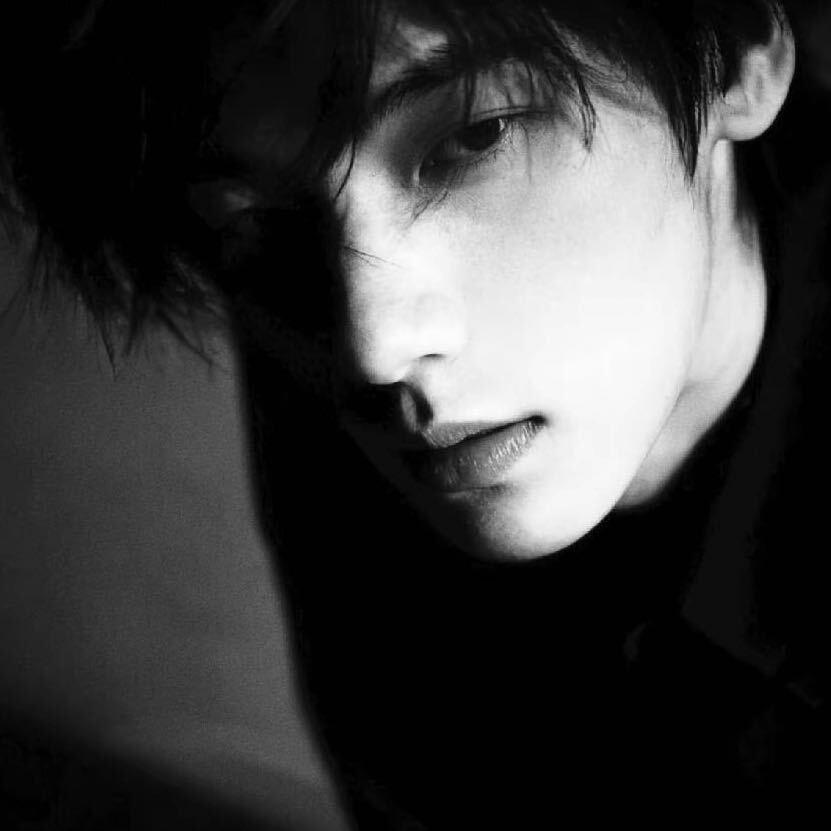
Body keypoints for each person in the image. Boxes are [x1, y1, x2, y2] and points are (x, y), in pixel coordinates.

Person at [4, 0, 831, 826]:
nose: (372, 345)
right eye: (253, 219)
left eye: (476, 136)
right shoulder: (313, 324)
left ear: (733, 48)